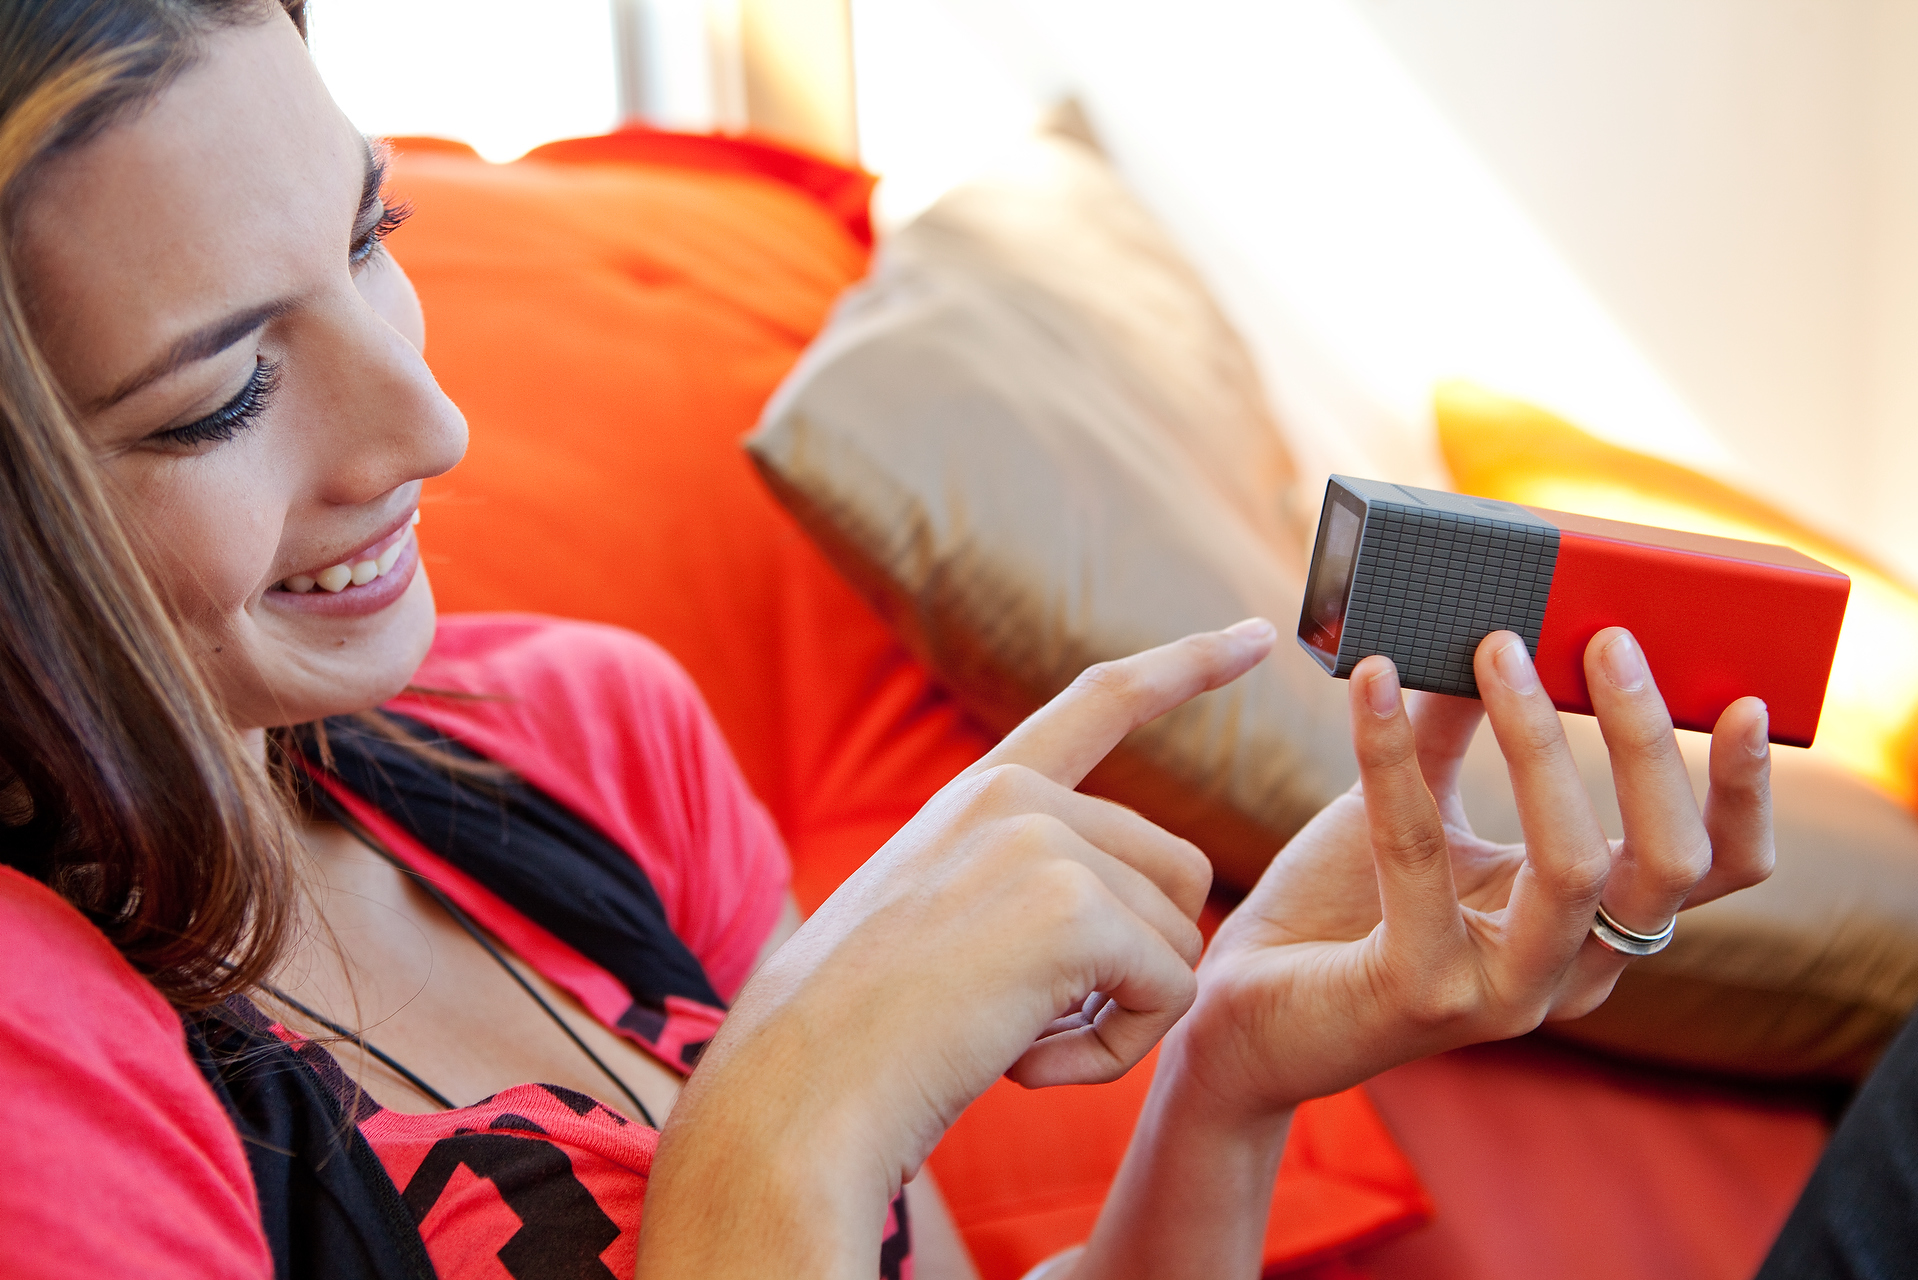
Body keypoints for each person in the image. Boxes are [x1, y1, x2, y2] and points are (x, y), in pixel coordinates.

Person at [0, 2, 1781, 1277]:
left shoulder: (583, 732)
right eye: (225, 394)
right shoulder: (37, 1053)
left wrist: (1231, 1074)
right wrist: (791, 1109)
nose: (430, 426)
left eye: (374, 236)